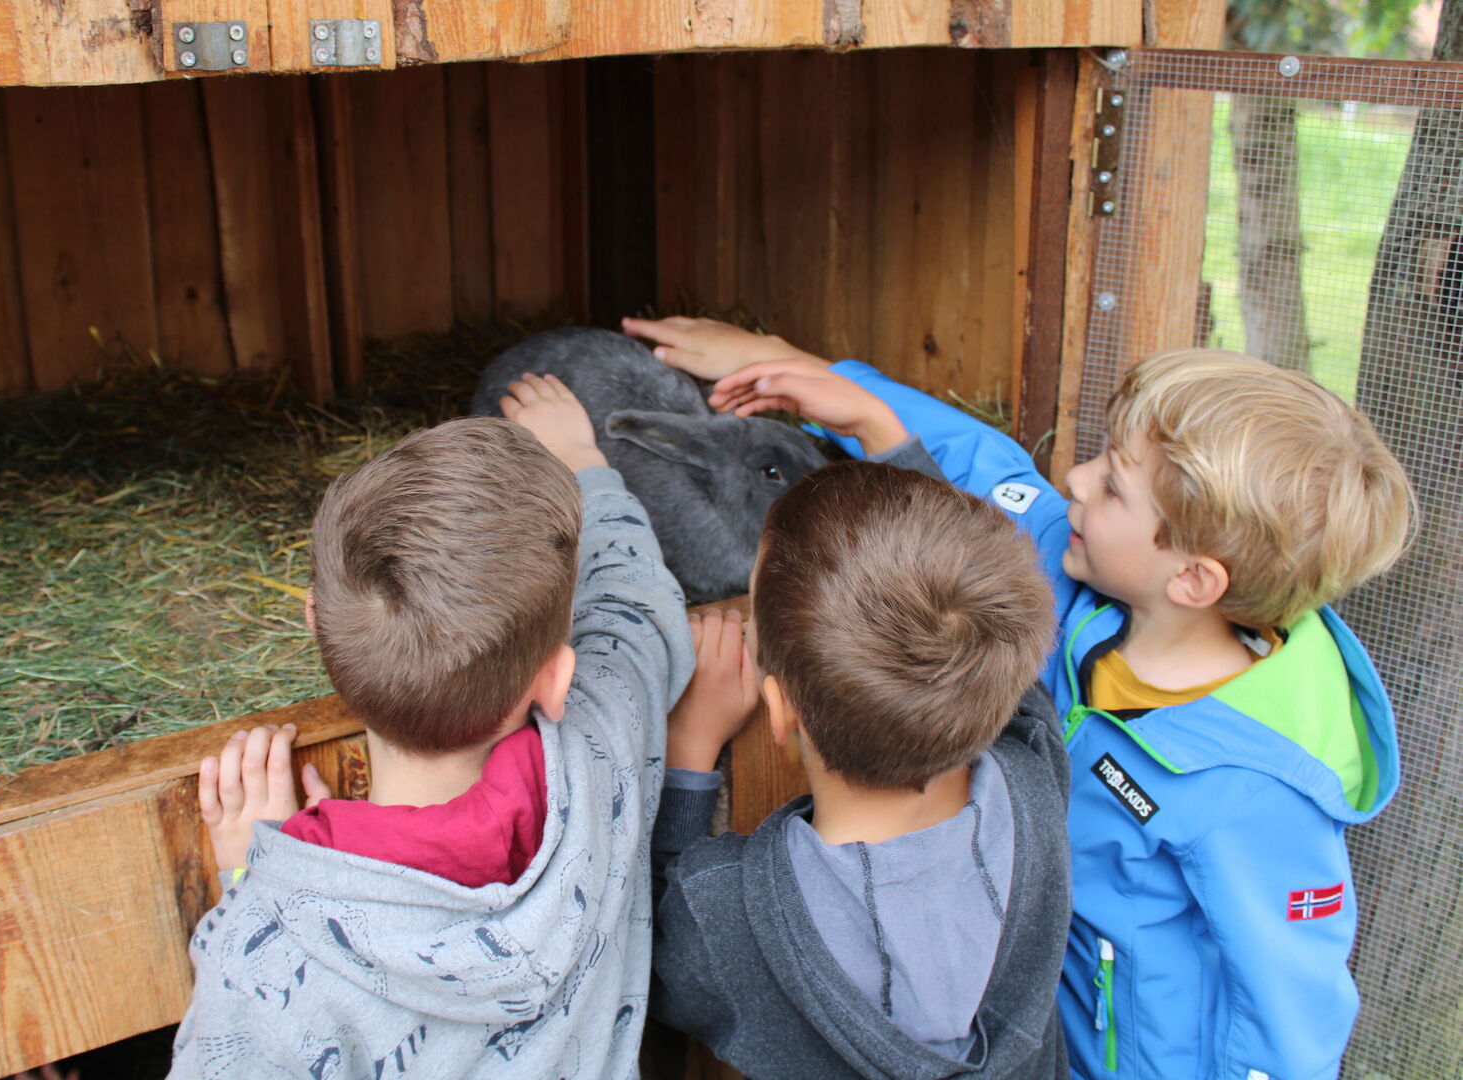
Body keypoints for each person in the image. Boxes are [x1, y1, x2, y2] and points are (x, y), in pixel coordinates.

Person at [626, 315, 1415, 1080]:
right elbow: (988, 471)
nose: (1074, 479)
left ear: (1194, 578)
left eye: (1114, 485)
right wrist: (853, 401)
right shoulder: (1090, 598)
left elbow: (1291, 1005)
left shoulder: (1255, 791)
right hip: (1027, 1012)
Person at [168, 375, 693, 1079]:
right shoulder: (606, 736)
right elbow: (634, 600)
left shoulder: (264, 945)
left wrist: (247, 876)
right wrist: (583, 460)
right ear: (556, 678)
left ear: (313, 623)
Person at [650, 459, 1071, 1079]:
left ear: (780, 710)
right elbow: (977, 621)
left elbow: (661, 959)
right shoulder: (1034, 764)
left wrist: (688, 752)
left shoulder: (726, 912)